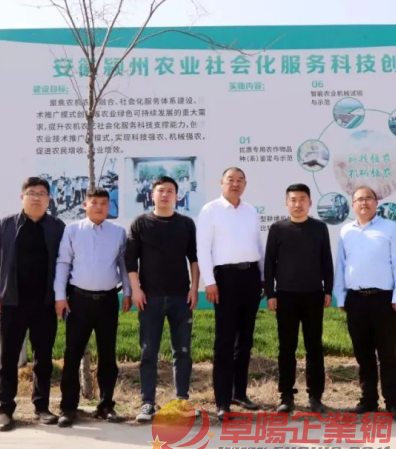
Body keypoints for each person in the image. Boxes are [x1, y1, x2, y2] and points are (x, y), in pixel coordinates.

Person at [0, 177, 66, 432]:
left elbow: (65, 263)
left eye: (42, 193)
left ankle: (42, 407)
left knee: (44, 359)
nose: (36, 198)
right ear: (22, 197)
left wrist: (61, 296)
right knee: (7, 359)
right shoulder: (6, 225)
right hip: (12, 302)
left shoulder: (57, 227)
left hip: (45, 304)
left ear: (48, 199)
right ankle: (5, 410)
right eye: (32, 193)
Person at [54, 187, 132, 427]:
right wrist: (60, 296)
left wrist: (128, 292)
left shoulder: (118, 232)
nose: (99, 207)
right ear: (85, 205)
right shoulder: (72, 230)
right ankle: (69, 407)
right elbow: (63, 263)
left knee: (108, 355)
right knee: (72, 354)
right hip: (78, 301)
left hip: (108, 300)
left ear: (109, 207)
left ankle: (106, 405)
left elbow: (123, 264)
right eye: (94, 202)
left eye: (103, 203)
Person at [125, 176, 200, 422]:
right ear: (152, 195)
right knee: (148, 352)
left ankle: (182, 401)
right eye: (160, 190)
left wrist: (194, 288)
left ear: (177, 196)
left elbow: (194, 258)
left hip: (181, 297)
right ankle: (147, 402)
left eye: (170, 191)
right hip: (150, 298)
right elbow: (130, 260)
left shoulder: (186, 224)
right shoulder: (141, 223)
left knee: (183, 352)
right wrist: (136, 290)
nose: (165, 194)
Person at [333, 186, 396, 422]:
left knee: (387, 354)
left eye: (368, 198)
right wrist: (341, 297)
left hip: (383, 299)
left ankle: (393, 403)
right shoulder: (346, 231)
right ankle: (368, 401)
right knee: (363, 354)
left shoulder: (390, 228)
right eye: (359, 199)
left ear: (376, 203)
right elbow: (341, 266)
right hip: (355, 300)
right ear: (352, 205)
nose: (364, 202)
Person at [197, 167, 265, 421]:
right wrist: (210, 282)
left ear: (245, 184)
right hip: (224, 279)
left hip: (250, 277)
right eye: (230, 180)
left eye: (239, 180)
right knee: (224, 341)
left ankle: (240, 393)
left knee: (245, 340)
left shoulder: (250, 211)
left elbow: (257, 244)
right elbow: (203, 249)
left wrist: (262, 276)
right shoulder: (210, 210)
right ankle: (223, 400)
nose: (235, 184)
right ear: (221, 182)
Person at [264, 184, 333, 414]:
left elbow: (326, 261)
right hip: (286, 296)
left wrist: (328, 290)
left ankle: (315, 396)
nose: (298, 204)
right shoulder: (278, 229)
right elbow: (269, 263)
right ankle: (286, 396)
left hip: (313, 295)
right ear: (286, 203)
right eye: (293, 199)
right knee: (287, 347)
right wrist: (271, 293)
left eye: (302, 199)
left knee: (314, 347)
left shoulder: (319, 228)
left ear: (310, 203)